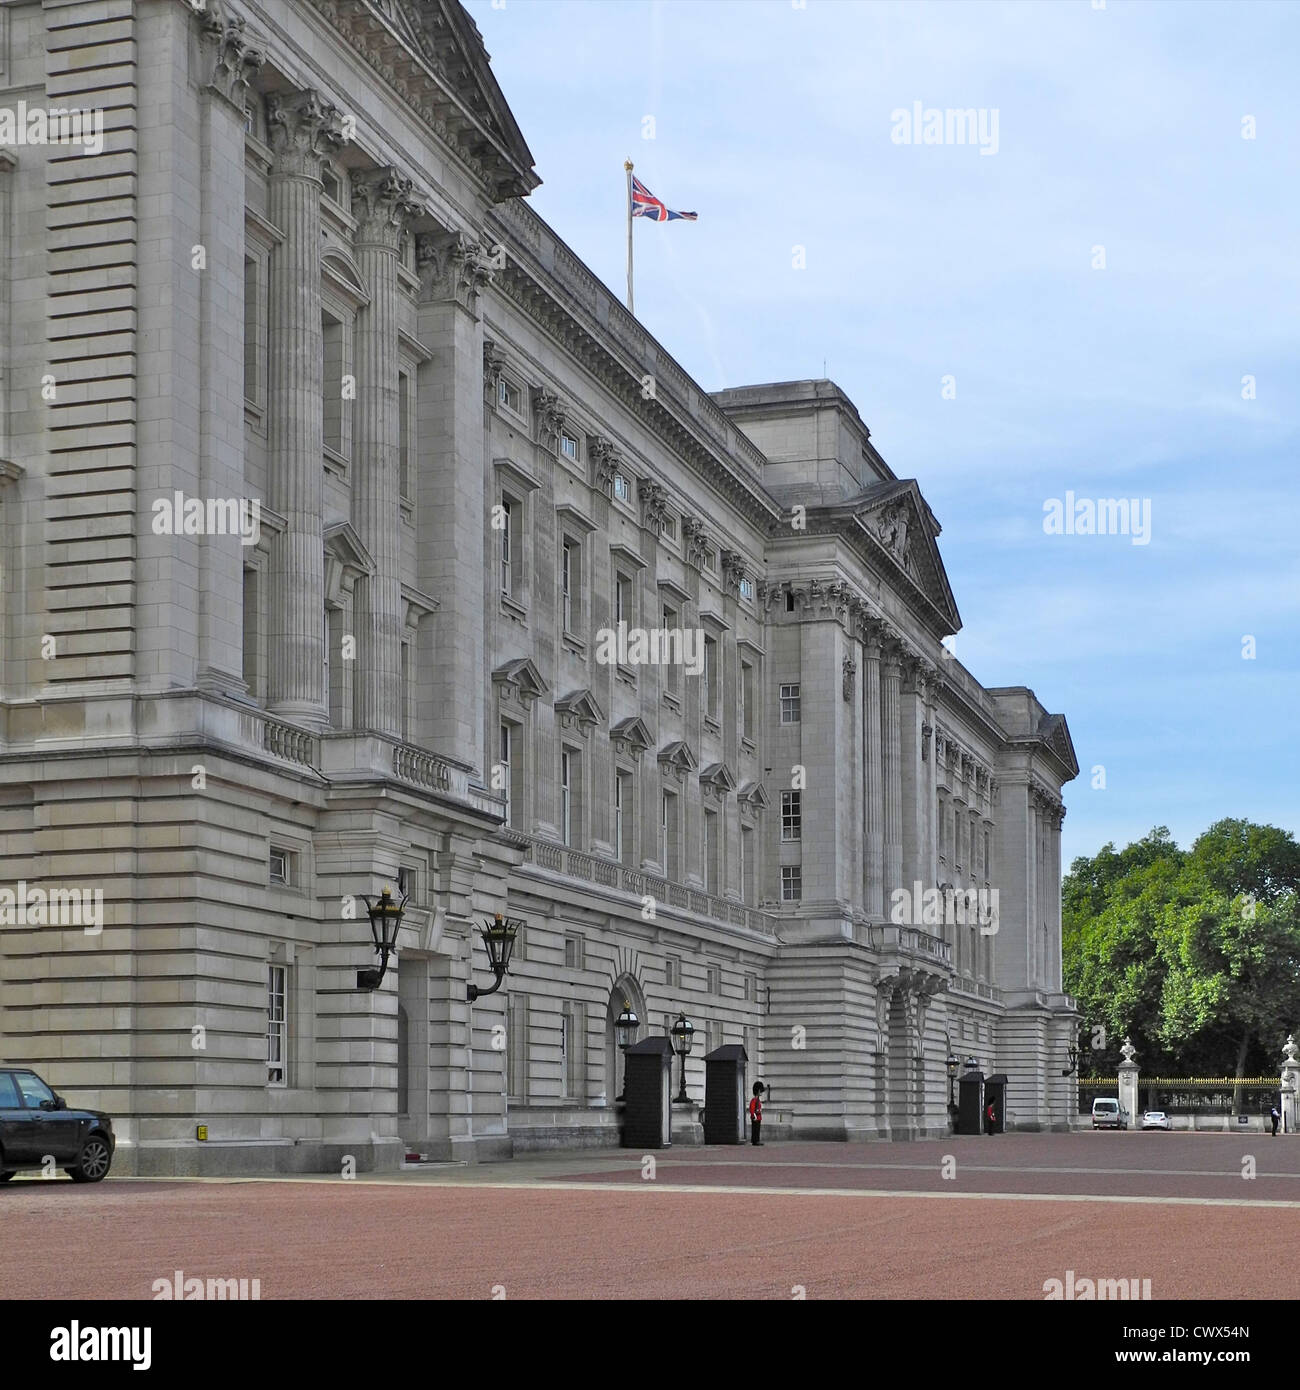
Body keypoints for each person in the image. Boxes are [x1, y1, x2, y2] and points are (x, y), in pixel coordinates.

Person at [749, 1082, 765, 1146]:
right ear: (757, 1091)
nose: (761, 1092)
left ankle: (756, 1140)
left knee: (757, 1129)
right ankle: (755, 1141)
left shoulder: (757, 1100)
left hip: (758, 1117)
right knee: (755, 1129)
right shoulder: (754, 1100)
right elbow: (752, 1109)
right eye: (760, 1091)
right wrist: (754, 1116)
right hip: (755, 1117)